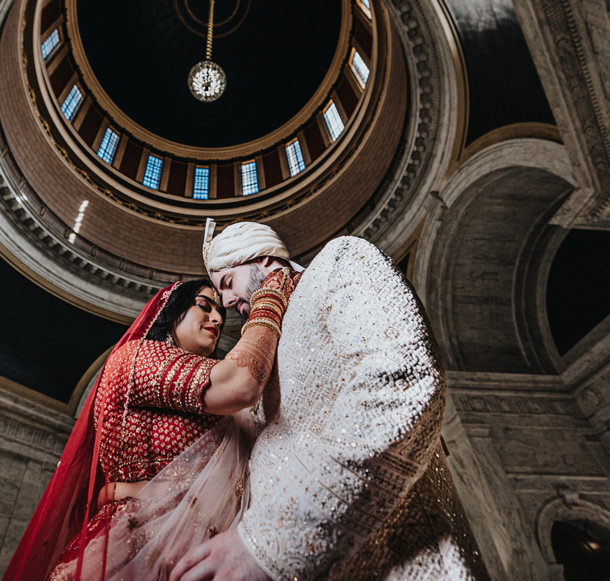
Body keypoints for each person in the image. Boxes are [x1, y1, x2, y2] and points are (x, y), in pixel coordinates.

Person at [171, 221, 488, 581]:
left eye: (228, 283)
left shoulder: (340, 261)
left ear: (260, 258)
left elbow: (400, 380)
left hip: (402, 561)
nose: (225, 302)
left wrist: (270, 545)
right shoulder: (258, 353)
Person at [2, 275, 298, 581]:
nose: (217, 317)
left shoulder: (212, 400)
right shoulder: (135, 358)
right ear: (171, 313)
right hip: (136, 550)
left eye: (220, 312)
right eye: (203, 305)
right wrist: (270, 298)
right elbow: (241, 383)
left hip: (203, 554)